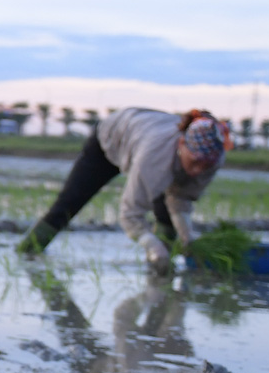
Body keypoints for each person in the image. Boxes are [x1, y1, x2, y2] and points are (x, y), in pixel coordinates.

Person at [16, 108, 232, 273]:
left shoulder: (213, 159)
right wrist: (150, 244)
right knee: (69, 203)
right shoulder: (153, 159)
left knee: (166, 216)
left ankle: (159, 271)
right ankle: (25, 254)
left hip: (147, 137)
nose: (198, 170)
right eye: (194, 162)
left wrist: (188, 238)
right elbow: (130, 215)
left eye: (205, 165)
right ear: (182, 144)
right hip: (111, 139)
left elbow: (181, 199)